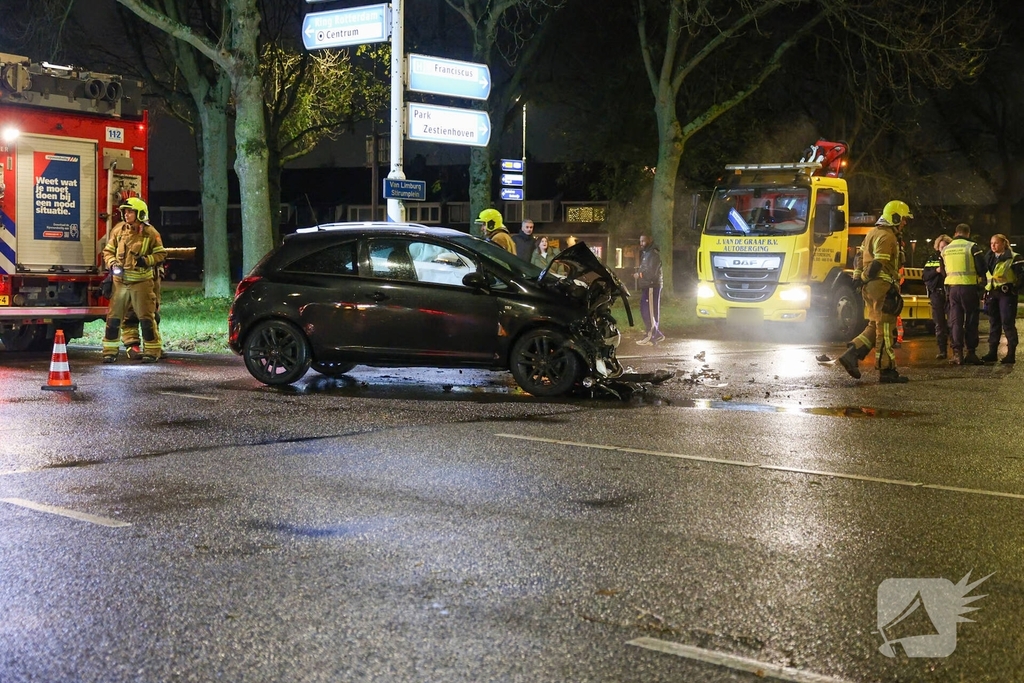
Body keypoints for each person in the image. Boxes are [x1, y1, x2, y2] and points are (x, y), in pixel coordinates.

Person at [837, 200, 912, 383]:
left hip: (871, 288)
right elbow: (879, 263)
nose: (904, 223)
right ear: (894, 217)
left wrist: (857, 279)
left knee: (875, 324)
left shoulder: (871, 233)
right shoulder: (887, 236)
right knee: (885, 329)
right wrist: (863, 278)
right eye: (903, 219)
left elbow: (858, 258)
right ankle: (886, 370)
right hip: (882, 288)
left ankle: (852, 354)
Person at [101, 197, 167, 363]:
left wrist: (146, 261)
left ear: (140, 214)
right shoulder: (118, 230)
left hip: (142, 282)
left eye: (130, 211)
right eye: (125, 211)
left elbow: (161, 254)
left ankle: (152, 351)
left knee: (146, 318)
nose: (126, 214)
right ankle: (109, 351)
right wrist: (112, 263)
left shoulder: (151, 233)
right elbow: (108, 251)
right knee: (114, 318)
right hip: (120, 281)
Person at [941, 223, 986, 366]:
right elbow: (982, 268)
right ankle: (971, 353)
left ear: (955, 233)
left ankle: (957, 354)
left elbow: (942, 271)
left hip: (952, 289)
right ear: (968, 233)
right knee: (971, 320)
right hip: (969, 288)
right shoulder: (972, 247)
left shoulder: (946, 249)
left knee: (956, 322)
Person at [981, 233, 1024, 364]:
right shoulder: (988, 258)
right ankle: (992, 352)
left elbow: (1022, 276)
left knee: (1007, 323)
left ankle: (1010, 354)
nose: (993, 246)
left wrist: (1015, 288)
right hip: (993, 293)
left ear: (1004, 243)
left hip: (1007, 294)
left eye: (996, 243)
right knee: (994, 323)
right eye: (991, 243)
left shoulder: (1014, 257)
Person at [922, 234, 952, 359]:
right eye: (941, 247)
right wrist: (937, 270)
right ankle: (942, 351)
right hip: (937, 293)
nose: (943, 249)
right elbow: (925, 276)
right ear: (937, 247)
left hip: (950, 293)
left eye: (945, 246)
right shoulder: (932, 259)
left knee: (953, 323)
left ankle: (956, 351)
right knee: (939, 324)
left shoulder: (952, 258)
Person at [635, 234, 665, 345]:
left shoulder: (652, 254)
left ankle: (651, 336)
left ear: (649, 240)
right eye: (640, 241)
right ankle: (655, 334)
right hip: (648, 286)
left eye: (643, 241)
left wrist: (639, 275)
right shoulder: (648, 253)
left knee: (649, 311)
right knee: (647, 310)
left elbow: (651, 272)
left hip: (651, 286)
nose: (641, 243)